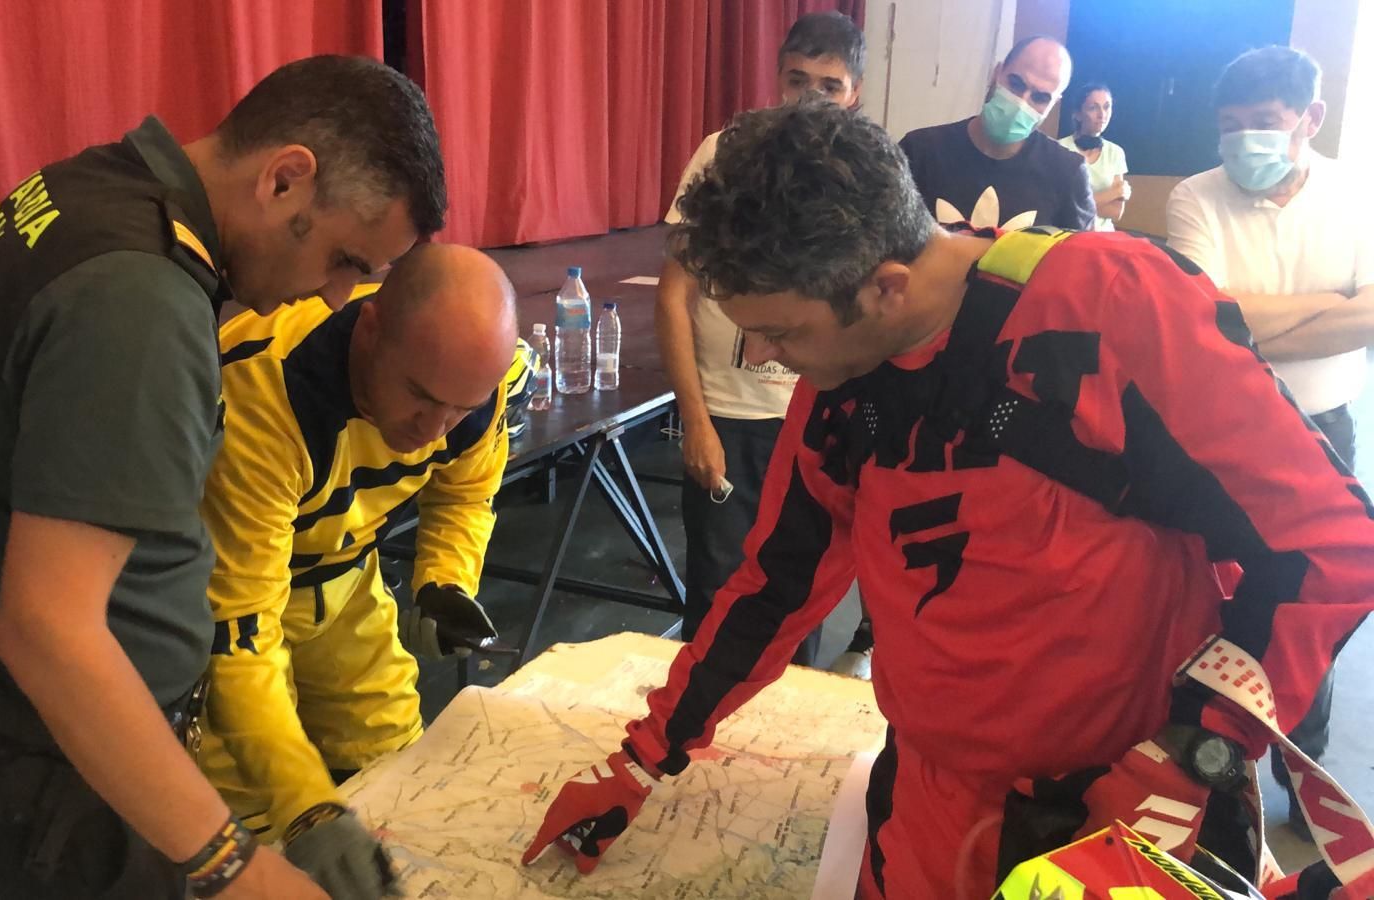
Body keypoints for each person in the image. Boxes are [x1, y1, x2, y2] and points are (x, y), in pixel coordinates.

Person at [522, 101, 1374, 897]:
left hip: (1131, 813)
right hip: (929, 804)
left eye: (784, 333)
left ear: (887, 285)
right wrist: (642, 757)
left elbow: (1328, 542)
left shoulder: (1106, 306)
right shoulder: (842, 389)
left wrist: (1195, 757)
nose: (767, 360)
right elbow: (772, 587)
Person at [0, 55, 445, 900]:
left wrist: (12, 478)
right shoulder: (144, 301)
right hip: (46, 789)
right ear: (286, 180)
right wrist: (235, 867)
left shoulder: (85, 189)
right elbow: (47, 632)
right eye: (344, 259)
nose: (336, 298)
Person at [193, 243, 519, 899]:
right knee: (250, 820)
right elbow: (242, 633)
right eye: (420, 398)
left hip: (346, 588)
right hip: (226, 600)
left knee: (399, 774)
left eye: (460, 410)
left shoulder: (471, 382)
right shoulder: (263, 390)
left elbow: (463, 493)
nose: (435, 431)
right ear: (370, 328)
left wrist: (443, 583)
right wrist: (308, 808)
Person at [1166, 45, 1374, 840]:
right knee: (1206, 590)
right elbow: (1202, 325)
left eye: (1263, 124)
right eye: (1230, 127)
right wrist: (1333, 308)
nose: (1243, 140)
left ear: (1309, 120)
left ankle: (1299, 761)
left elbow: (1241, 319)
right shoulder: (1195, 195)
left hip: (1322, 432)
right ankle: (1200, 749)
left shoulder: (1356, 197)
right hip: (1215, 432)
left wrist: (1251, 320)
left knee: (1310, 604)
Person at [658, 10, 864, 667]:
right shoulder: (724, 153)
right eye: (797, 79)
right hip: (728, 415)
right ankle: (692, 751)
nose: (810, 97)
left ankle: (782, 759)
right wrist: (694, 421)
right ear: (775, 79)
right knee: (718, 603)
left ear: (853, 93)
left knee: (796, 603)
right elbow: (673, 293)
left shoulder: (860, 176)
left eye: (829, 85)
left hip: (810, 420)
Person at [900, 36, 1095, 231]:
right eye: (1016, 84)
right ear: (997, 73)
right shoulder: (919, 152)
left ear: (1053, 105)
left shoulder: (1068, 174)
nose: (1021, 102)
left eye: (1040, 98)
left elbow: (1082, 258)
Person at [1057, 82, 1130, 231]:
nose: (1102, 114)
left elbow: (1116, 212)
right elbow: (1060, 208)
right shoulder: (1059, 148)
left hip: (1104, 238)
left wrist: (1078, 205)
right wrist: (1113, 193)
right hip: (1067, 235)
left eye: (1106, 106)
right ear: (1077, 114)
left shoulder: (1116, 152)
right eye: (1093, 107)